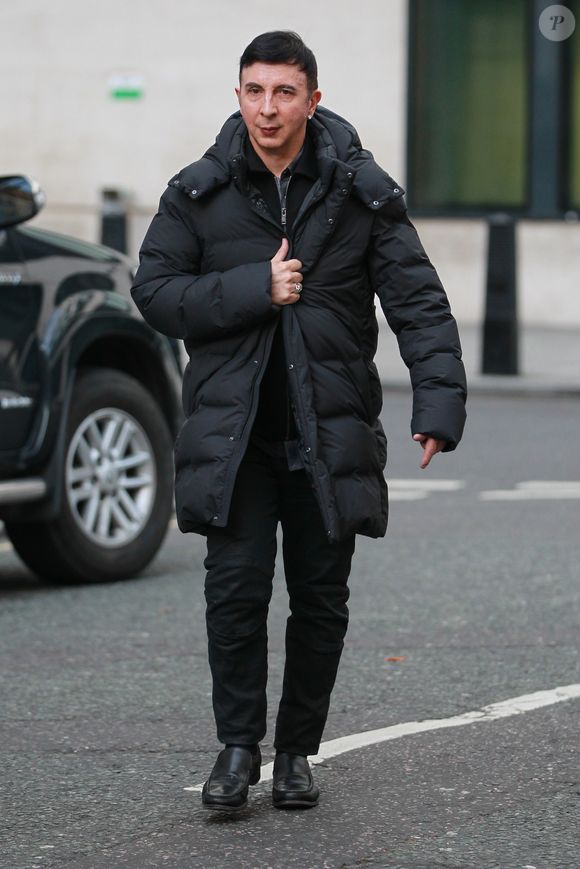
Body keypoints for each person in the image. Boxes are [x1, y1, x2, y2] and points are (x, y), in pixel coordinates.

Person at [131, 30, 467, 812]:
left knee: (320, 600)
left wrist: (438, 403)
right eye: (254, 91)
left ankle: (295, 753)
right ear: (238, 95)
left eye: (284, 92)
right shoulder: (200, 192)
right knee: (235, 594)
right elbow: (155, 291)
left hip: (329, 432)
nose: (267, 108)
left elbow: (418, 301)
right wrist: (257, 286)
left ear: (313, 100)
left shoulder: (359, 193)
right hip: (236, 438)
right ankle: (237, 747)